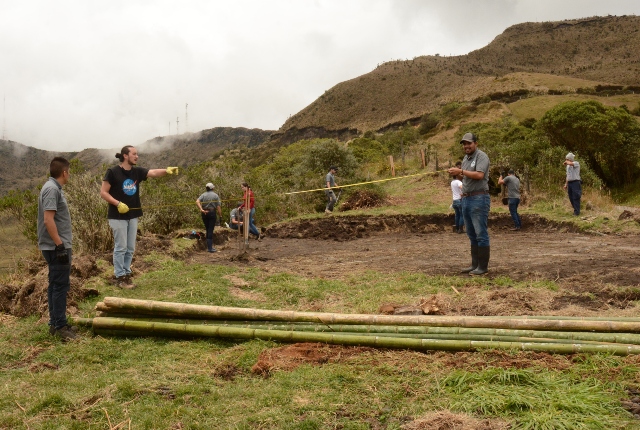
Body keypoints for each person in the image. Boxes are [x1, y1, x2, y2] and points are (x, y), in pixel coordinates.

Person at [100, 146, 179, 288]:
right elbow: (103, 192)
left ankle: (126, 273)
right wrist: (118, 204)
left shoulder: (137, 172)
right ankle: (120, 277)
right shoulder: (113, 172)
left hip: (133, 215)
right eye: (134, 154)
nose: (137, 156)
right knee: (121, 247)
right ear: (125, 156)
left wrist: (167, 171)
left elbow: (153, 172)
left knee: (130, 247)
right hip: (117, 216)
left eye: (137, 154)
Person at [37, 157, 77, 340]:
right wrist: (60, 246)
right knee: (60, 286)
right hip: (56, 247)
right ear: (64, 173)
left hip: (55, 246)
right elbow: (48, 220)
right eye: (69, 172)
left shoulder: (52, 187)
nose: (69, 175)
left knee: (55, 284)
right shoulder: (52, 189)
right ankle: (61, 327)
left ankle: (55, 323)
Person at [447, 132, 491, 275]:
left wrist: (461, 171)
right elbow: (465, 177)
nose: (466, 146)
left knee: (480, 233)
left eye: (469, 143)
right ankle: (474, 265)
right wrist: (457, 174)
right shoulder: (466, 158)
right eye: (464, 144)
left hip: (479, 198)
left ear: (475, 143)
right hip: (465, 198)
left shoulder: (481, 156)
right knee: (471, 233)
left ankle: (482, 267)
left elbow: (479, 175)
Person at [196, 182, 222, 252]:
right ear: (212, 188)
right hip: (211, 212)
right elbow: (218, 206)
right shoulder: (215, 195)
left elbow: (197, 201)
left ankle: (209, 246)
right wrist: (220, 215)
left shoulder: (203, 195)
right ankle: (210, 248)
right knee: (210, 229)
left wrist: (201, 209)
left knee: (207, 229)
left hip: (204, 213)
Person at [451, 162, 464, 234]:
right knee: (462, 215)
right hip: (459, 200)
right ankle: (460, 229)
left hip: (454, 201)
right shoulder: (459, 182)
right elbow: (462, 188)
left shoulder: (452, 182)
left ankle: (456, 228)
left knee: (457, 215)